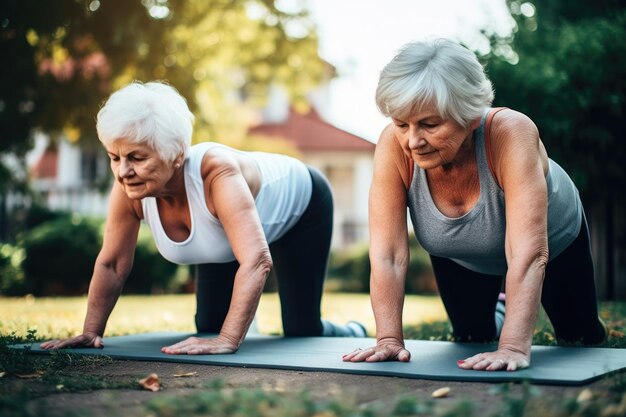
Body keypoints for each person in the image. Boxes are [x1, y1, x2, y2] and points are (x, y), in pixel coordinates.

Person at [41, 81, 366, 355]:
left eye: (137, 157)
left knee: (301, 328)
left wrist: (229, 340)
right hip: (227, 230)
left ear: (178, 154)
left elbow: (256, 262)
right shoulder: (130, 187)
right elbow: (112, 263)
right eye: (114, 157)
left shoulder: (216, 175)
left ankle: (353, 330)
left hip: (303, 205)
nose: (123, 171)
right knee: (208, 327)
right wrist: (90, 331)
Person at [342, 38, 606, 371]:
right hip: (462, 254)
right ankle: (499, 309)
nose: (413, 141)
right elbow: (388, 255)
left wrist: (512, 347)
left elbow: (527, 254)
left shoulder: (512, 133)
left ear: (471, 117)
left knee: (580, 338)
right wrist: (388, 340)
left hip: (553, 243)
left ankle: (549, 320)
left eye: (430, 124)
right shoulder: (394, 148)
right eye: (401, 124)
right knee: (471, 337)